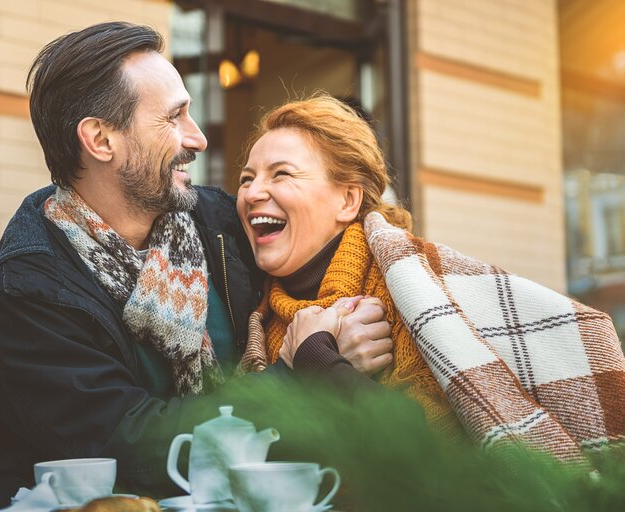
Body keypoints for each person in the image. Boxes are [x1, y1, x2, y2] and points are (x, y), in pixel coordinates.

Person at [0, 23, 391, 506]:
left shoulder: (217, 222)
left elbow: (319, 242)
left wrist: (359, 308)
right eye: (174, 118)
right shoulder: (28, 286)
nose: (197, 138)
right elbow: (130, 447)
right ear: (100, 139)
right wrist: (298, 376)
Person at [236, 94, 625, 460]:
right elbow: (225, 448)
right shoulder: (252, 310)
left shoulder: (417, 293)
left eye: (281, 174)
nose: (253, 192)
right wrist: (298, 367)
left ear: (347, 200)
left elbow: (429, 459)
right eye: (246, 179)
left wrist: (316, 359)